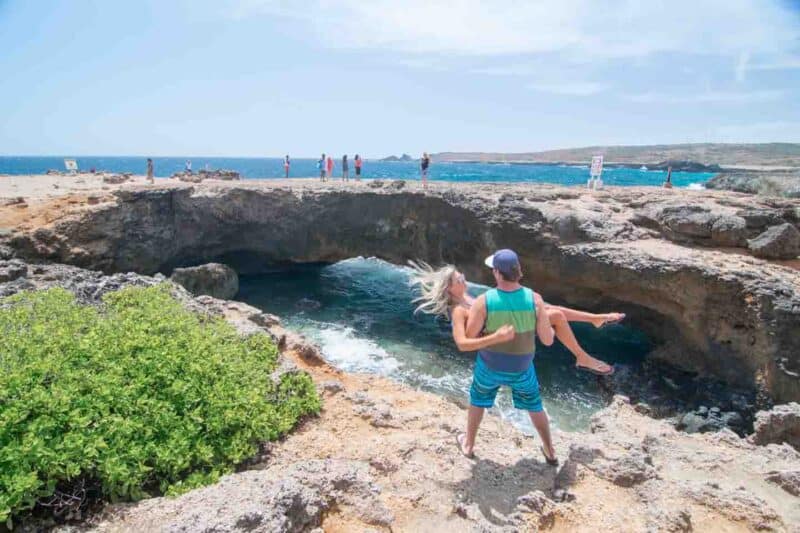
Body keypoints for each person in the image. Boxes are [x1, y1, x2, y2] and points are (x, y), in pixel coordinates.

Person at [409, 252, 624, 461]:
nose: (464, 279)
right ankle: (484, 445)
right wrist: (497, 336)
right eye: (459, 279)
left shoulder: (472, 298)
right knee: (499, 401)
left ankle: (594, 322)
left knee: (553, 312)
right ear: (449, 288)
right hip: (502, 350)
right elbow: (463, 344)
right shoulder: (459, 310)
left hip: (503, 348)